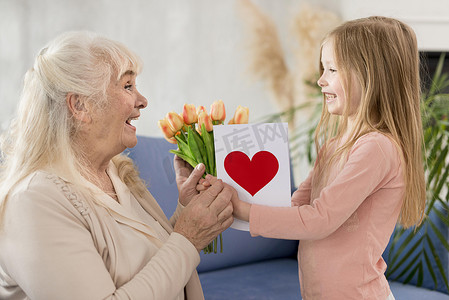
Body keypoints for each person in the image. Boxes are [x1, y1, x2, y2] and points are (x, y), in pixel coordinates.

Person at [202, 16, 426, 300]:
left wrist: (242, 209)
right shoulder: (333, 146)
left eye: (332, 69)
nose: (321, 80)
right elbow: (295, 207)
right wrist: (230, 192)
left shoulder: (377, 149)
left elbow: (320, 220)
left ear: (370, 77)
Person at [0, 31, 234, 300]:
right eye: (127, 86)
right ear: (80, 106)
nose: (142, 101)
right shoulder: (33, 202)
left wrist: (185, 215)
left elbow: (148, 266)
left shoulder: (115, 171)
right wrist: (188, 239)